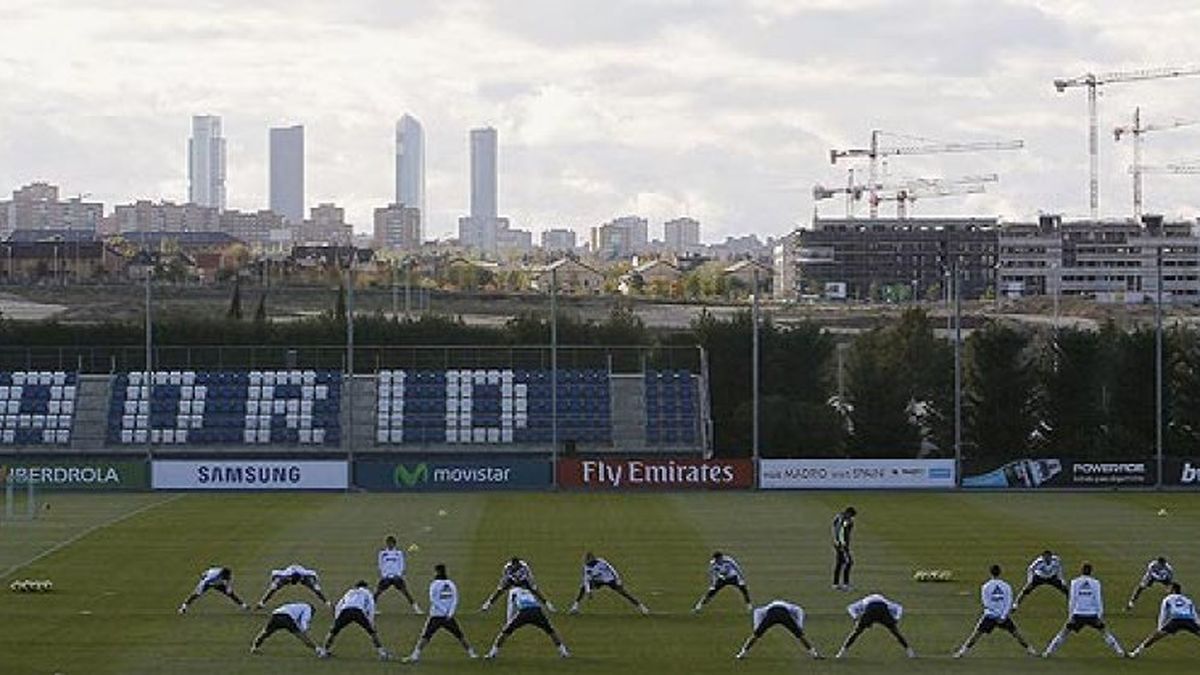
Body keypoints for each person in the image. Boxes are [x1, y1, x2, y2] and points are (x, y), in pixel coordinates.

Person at [1042, 562, 1125, 657]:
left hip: (1078, 614)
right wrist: (1099, 615)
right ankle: (1120, 652)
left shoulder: (1075, 582)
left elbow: (1072, 599)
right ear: (1091, 571)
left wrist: (1070, 615)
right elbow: (1098, 599)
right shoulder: (1096, 583)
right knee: (1105, 633)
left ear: (1081, 570)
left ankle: (1047, 652)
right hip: (1092, 614)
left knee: (1063, 633)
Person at [953, 565, 1037, 658]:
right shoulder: (1006, 586)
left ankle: (962, 652)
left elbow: (986, 603)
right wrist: (1003, 616)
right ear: (1000, 572)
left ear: (990, 573)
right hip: (1003, 616)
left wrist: (995, 615)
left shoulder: (986, 586)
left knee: (976, 635)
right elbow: (1009, 601)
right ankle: (1030, 649)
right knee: (1016, 634)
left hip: (990, 616)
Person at [407, 564, 477, 663]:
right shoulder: (451, 584)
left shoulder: (435, 584)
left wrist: (445, 611)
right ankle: (471, 653)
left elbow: (433, 599)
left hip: (436, 615)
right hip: (447, 616)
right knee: (459, 635)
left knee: (426, 636)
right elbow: (455, 599)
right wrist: (450, 612)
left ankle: (415, 655)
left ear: (437, 572)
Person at [484, 586, 570, 660]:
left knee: (505, 633)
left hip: (524, 612)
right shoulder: (528, 591)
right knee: (551, 631)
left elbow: (511, 607)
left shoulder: (513, 592)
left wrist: (509, 622)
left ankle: (493, 653)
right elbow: (536, 600)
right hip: (537, 611)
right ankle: (563, 652)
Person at [322, 581, 390, 661]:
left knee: (333, 632)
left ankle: (324, 651)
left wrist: (336, 620)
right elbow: (371, 606)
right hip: (358, 611)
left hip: (345, 611)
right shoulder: (367, 592)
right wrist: (371, 622)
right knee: (372, 632)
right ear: (366, 587)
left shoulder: (349, 592)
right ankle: (381, 652)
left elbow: (339, 605)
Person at [734, 599, 822, 660]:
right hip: (784, 614)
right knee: (800, 636)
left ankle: (742, 653)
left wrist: (756, 627)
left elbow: (757, 612)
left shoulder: (766, 607)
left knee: (755, 635)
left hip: (771, 614)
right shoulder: (791, 606)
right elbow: (800, 611)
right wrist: (799, 626)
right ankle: (814, 653)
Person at [1129, 583, 1200, 657]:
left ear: (1173, 590)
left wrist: (1160, 627)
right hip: (1188, 619)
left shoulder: (1168, 598)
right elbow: (1194, 613)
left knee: (1154, 637)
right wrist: (1197, 624)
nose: (1166, 590)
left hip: (1176, 619)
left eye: (1169, 588)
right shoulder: (1187, 599)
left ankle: (1136, 652)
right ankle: (1136, 652)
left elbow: (1163, 613)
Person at [835, 592, 915, 659]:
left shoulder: (863, 601)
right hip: (882, 611)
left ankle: (842, 652)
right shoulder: (886, 602)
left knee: (856, 632)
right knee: (895, 632)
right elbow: (899, 607)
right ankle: (909, 651)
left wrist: (855, 617)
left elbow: (850, 607)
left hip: (870, 610)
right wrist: (896, 618)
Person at [568, 552, 650, 615]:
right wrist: (589, 592)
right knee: (582, 588)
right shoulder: (586, 567)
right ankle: (575, 607)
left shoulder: (601, 562)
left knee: (624, 593)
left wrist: (618, 580)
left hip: (609, 580)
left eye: (587, 560)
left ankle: (641, 607)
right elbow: (586, 579)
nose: (586, 561)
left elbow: (612, 569)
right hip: (597, 581)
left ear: (592, 558)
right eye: (585, 560)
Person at [249, 601, 326, 657]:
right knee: (302, 637)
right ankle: (319, 650)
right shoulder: (308, 608)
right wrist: (305, 630)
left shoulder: (296, 605)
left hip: (275, 615)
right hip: (286, 618)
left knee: (265, 633)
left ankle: (254, 647)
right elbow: (304, 621)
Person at [480, 557, 554, 612]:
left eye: (516, 565)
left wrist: (531, 584)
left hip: (523, 579)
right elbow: (504, 576)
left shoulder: (524, 566)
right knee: (499, 591)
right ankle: (488, 604)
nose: (515, 566)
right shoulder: (507, 567)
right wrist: (502, 585)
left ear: (518, 564)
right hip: (512, 579)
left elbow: (529, 575)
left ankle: (547, 604)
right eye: (514, 565)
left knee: (535, 591)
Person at [376, 535, 422, 613]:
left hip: (396, 577)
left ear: (394, 544)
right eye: (388, 543)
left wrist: (399, 574)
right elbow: (381, 564)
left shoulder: (398, 553)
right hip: (386, 576)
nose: (390, 545)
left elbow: (402, 564)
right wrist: (384, 575)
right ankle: (372, 608)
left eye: (391, 543)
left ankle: (416, 608)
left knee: (406, 592)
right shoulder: (382, 553)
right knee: (377, 592)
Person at [256, 563, 329, 608]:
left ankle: (326, 602)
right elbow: (274, 573)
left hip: (302, 576)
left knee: (316, 589)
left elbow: (314, 574)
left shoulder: (306, 575)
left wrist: (316, 583)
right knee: (273, 588)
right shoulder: (284, 575)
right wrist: (273, 582)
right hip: (288, 576)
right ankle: (262, 602)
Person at [178, 566, 248, 613]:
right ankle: (184, 606)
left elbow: (228, 581)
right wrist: (199, 589)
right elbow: (204, 581)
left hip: (218, 583)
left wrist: (228, 588)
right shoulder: (212, 575)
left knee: (230, 594)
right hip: (207, 583)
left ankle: (243, 605)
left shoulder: (226, 575)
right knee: (196, 594)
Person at [832, 507, 856, 590]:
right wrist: (843, 544)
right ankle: (846, 584)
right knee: (849, 562)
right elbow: (842, 532)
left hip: (837, 543)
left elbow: (835, 528)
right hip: (842, 545)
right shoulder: (847, 521)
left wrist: (836, 540)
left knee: (839, 563)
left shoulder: (838, 517)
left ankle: (835, 583)